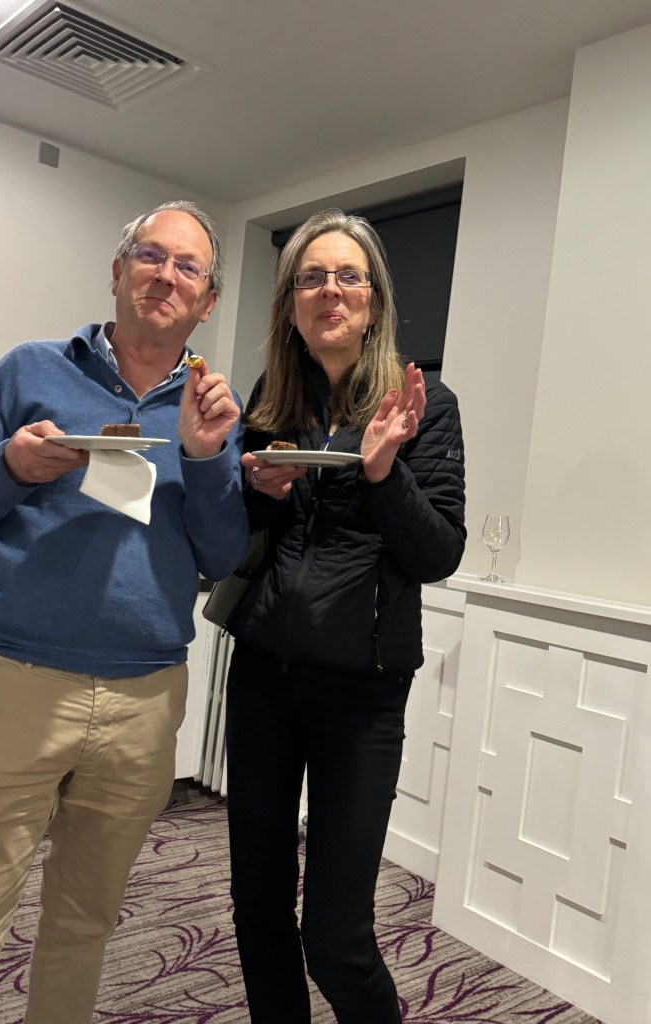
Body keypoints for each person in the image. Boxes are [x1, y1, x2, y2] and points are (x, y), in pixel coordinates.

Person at [0, 200, 249, 1024]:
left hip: (145, 704)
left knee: (85, 927)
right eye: (150, 256)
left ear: (208, 301)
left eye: (187, 267)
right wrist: (10, 465)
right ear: (117, 272)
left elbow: (223, 556)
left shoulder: (211, 409)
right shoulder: (31, 369)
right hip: (10, 687)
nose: (166, 276)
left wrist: (204, 459)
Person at [225, 208, 466, 1024]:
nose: (330, 290)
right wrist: (257, 493)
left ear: (374, 299)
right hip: (262, 678)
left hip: (363, 695)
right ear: (290, 302)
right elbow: (246, 537)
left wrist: (385, 472)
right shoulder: (273, 396)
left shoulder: (424, 404)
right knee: (257, 904)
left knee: (336, 938)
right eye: (311, 277)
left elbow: (438, 554)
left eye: (348, 276)